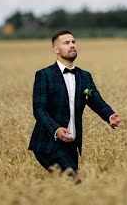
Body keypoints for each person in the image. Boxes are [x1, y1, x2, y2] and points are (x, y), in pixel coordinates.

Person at [28, 30, 121, 176]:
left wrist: (110, 116)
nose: (72, 45)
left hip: (72, 142)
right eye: (66, 43)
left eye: (73, 42)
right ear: (56, 50)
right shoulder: (44, 75)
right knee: (74, 181)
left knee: (69, 188)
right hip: (48, 143)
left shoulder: (85, 76)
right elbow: (39, 109)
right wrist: (57, 129)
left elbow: (96, 100)